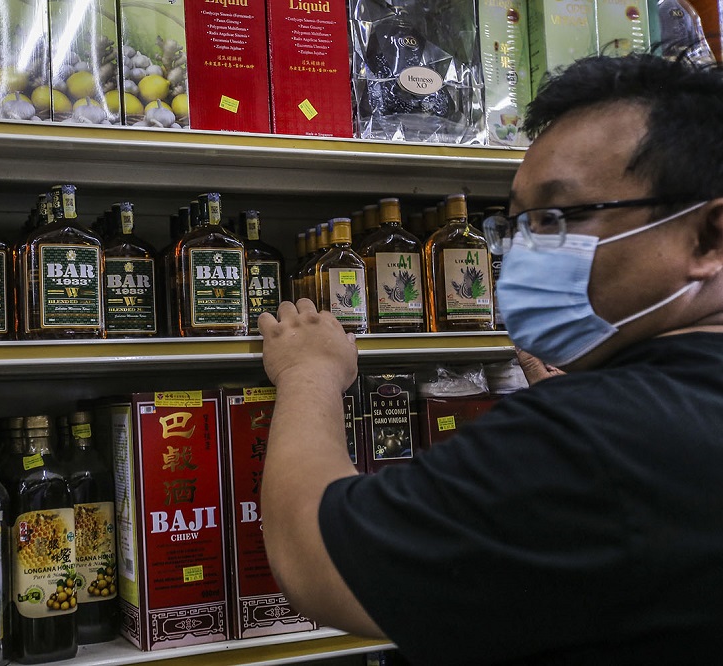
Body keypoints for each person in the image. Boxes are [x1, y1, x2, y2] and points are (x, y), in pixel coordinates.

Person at [258, 53, 723, 665]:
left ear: (709, 238)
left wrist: (307, 373)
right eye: (518, 225)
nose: (528, 251)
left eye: (561, 216)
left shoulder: (589, 439)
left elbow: (311, 555)